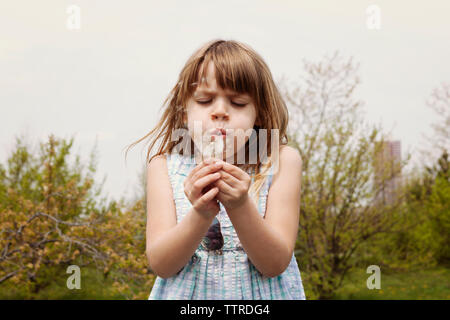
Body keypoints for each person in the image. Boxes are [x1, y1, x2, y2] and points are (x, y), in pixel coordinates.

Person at [127, 39, 306, 299]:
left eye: (238, 103)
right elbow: (161, 264)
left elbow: (275, 263)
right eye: (204, 100)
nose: (220, 111)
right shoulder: (164, 166)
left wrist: (240, 205)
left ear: (259, 113)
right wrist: (200, 213)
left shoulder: (280, 161)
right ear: (184, 110)